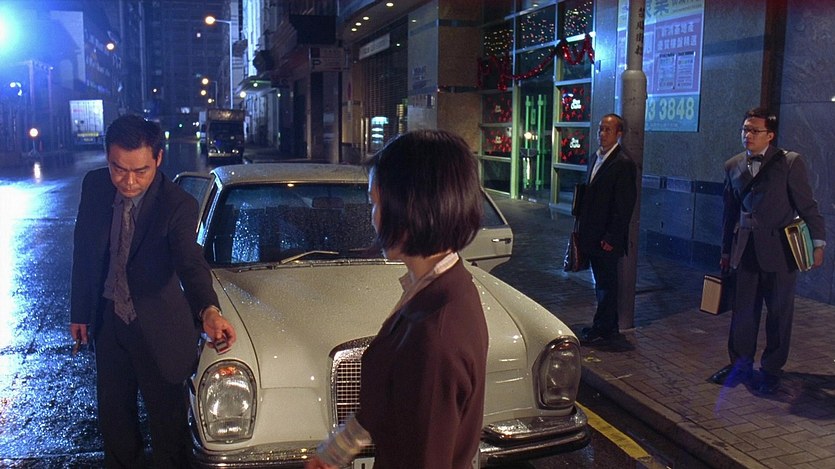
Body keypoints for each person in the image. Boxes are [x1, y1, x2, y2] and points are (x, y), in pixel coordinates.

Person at [305, 130, 489, 469]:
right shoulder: (441, 286)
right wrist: (335, 452)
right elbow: (390, 395)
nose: (372, 216)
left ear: (409, 208)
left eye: (375, 203)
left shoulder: (436, 335)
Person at [69, 114, 237, 467]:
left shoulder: (178, 204)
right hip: (109, 322)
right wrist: (80, 313)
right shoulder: (95, 186)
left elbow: (190, 262)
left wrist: (208, 309)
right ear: (108, 158)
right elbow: (84, 251)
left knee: (168, 427)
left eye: (140, 171)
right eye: (118, 169)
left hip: (159, 328)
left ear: (158, 159)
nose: (129, 181)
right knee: (114, 419)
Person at [709, 107, 825, 394]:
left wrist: (818, 243)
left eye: (754, 130)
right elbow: (729, 213)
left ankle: (772, 369)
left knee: (779, 313)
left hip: (781, 250)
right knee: (743, 312)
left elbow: (807, 205)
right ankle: (740, 365)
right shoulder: (732, 165)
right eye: (745, 129)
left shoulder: (789, 162)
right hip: (745, 250)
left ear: (770, 135)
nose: (747, 135)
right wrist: (726, 252)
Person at [576, 113, 638, 345]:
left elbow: (624, 205)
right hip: (591, 233)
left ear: (619, 134)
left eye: (608, 130)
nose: (602, 134)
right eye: (600, 129)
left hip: (606, 238)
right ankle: (606, 326)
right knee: (601, 282)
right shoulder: (595, 157)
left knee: (607, 284)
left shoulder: (623, 163)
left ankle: (604, 328)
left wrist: (611, 236)